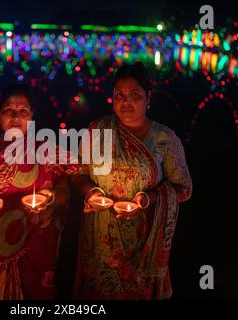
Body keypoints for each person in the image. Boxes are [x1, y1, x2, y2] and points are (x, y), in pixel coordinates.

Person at [72, 62, 193, 299]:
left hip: (143, 243)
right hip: (99, 242)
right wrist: (91, 193)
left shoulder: (164, 139)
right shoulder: (97, 130)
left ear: (148, 98)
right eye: (119, 95)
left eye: (134, 95)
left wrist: (149, 198)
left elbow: (184, 189)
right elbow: (78, 174)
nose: (126, 101)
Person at [0, 84, 78, 299]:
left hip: (38, 242)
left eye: (23, 111)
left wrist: (48, 197)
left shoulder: (46, 150)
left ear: (32, 115)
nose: (16, 117)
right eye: (9, 111)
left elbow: (64, 193)